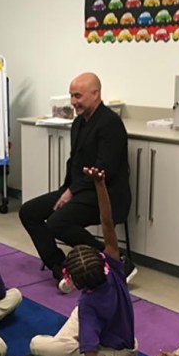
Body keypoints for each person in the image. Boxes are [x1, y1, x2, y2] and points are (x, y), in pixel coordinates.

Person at [21, 167, 137, 356]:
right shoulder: (113, 267)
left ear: (76, 283)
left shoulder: (88, 303)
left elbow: (91, 351)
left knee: (37, 344)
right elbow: (107, 222)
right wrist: (100, 185)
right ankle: (60, 351)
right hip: (130, 345)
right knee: (76, 317)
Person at [19, 73, 135, 288]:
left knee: (56, 223)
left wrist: (71, 192)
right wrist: (67, 189)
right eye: (71, 96)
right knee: (28, 212)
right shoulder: (79, 123)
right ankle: (61, 268)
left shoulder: (110, 124)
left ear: (95, 94)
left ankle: (113, 260)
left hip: (105, 194)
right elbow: (75, 161)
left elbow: (103, 169)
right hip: (78, 189)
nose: (73, 102)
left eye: (78, 96)